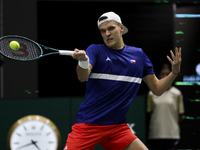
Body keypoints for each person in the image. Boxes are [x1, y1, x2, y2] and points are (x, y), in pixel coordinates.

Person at [63, 11, 182, 150]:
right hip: (88, 124)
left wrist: (174, 72)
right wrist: (83, 62)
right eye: (103, 31)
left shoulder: (139, 56)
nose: (107, 33)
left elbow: (157, 89)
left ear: (121, 28)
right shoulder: (95, 50)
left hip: (117, 128)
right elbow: (82, 77)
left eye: (111, 28)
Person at [147, 63, 184, 150]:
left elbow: (180, 115)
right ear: (158, 75)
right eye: (163, 74)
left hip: (172, 134)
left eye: (167, 74)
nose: (165, 76)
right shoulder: (151, 94)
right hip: (155, 134)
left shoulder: (177, 94)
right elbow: (149, 112)